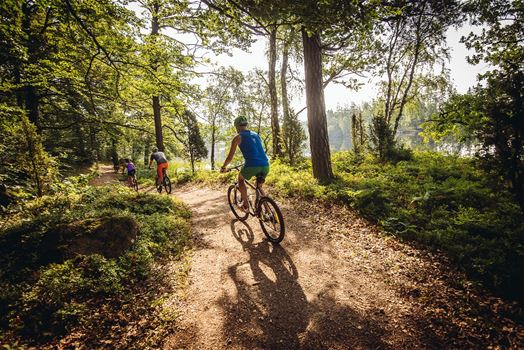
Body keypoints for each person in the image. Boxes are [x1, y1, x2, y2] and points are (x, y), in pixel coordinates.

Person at [221, 116, 269, 212]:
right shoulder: (256, 135)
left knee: (240, 180)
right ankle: (268, 211)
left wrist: (223, 167)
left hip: (251, 165)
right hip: (265, 165)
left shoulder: (238, 137)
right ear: (246, 125)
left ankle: (246, 205)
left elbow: (230, 157)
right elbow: (256, 151)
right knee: (258, 187)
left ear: (237, 126)